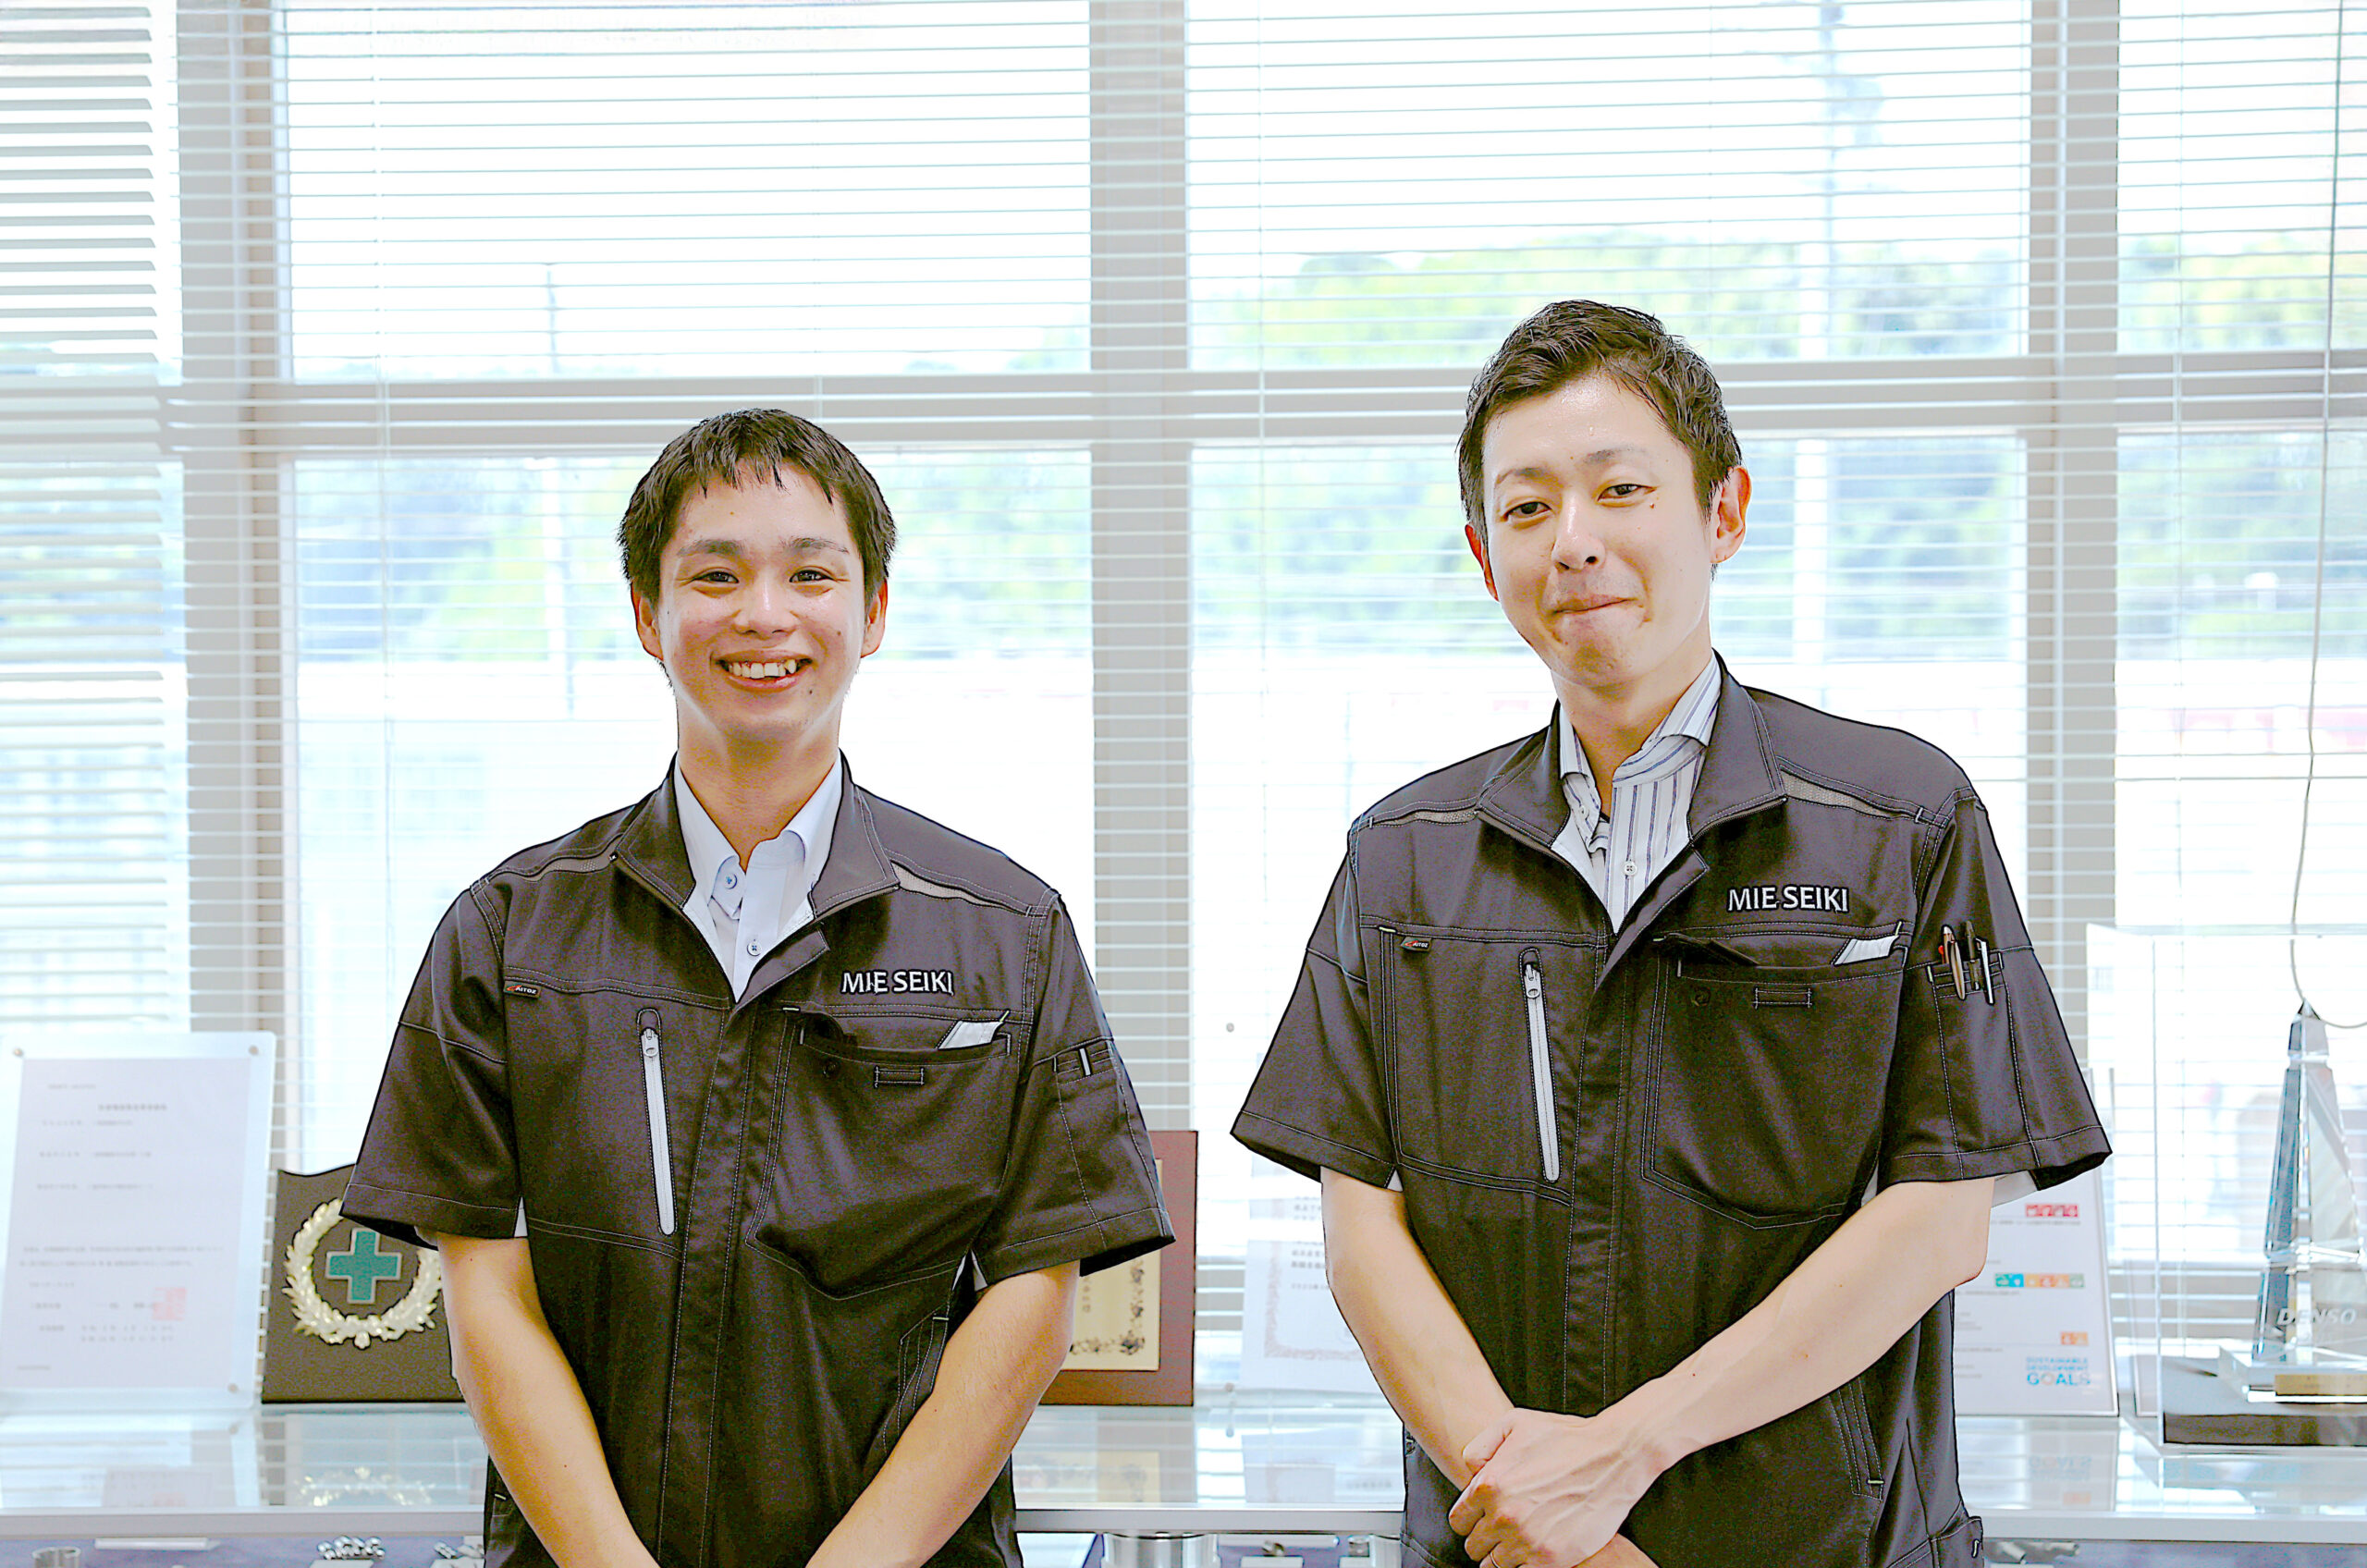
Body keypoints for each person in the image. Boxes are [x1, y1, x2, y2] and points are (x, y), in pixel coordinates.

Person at [1231, 302, 2110, 1568]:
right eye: (1526, 508)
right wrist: (1552, 1520)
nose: (1573, 541)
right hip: (1507, 1544)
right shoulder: (1403, 858)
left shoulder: (1902, 819)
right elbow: (1361, 1230)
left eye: (1620, 489)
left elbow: (1939, 1216)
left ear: (1723, 512)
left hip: (1827, 1544)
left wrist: (1622, 1453)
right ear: (1483, 556)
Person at [345, 409, 1171, 1568]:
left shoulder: (1004, 931)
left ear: (872, 612)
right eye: (715, 575)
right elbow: (489, 1293)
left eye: (811, 574)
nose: (764, 614)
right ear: (649, 615)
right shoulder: (511, 930)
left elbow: (1035, 1289)